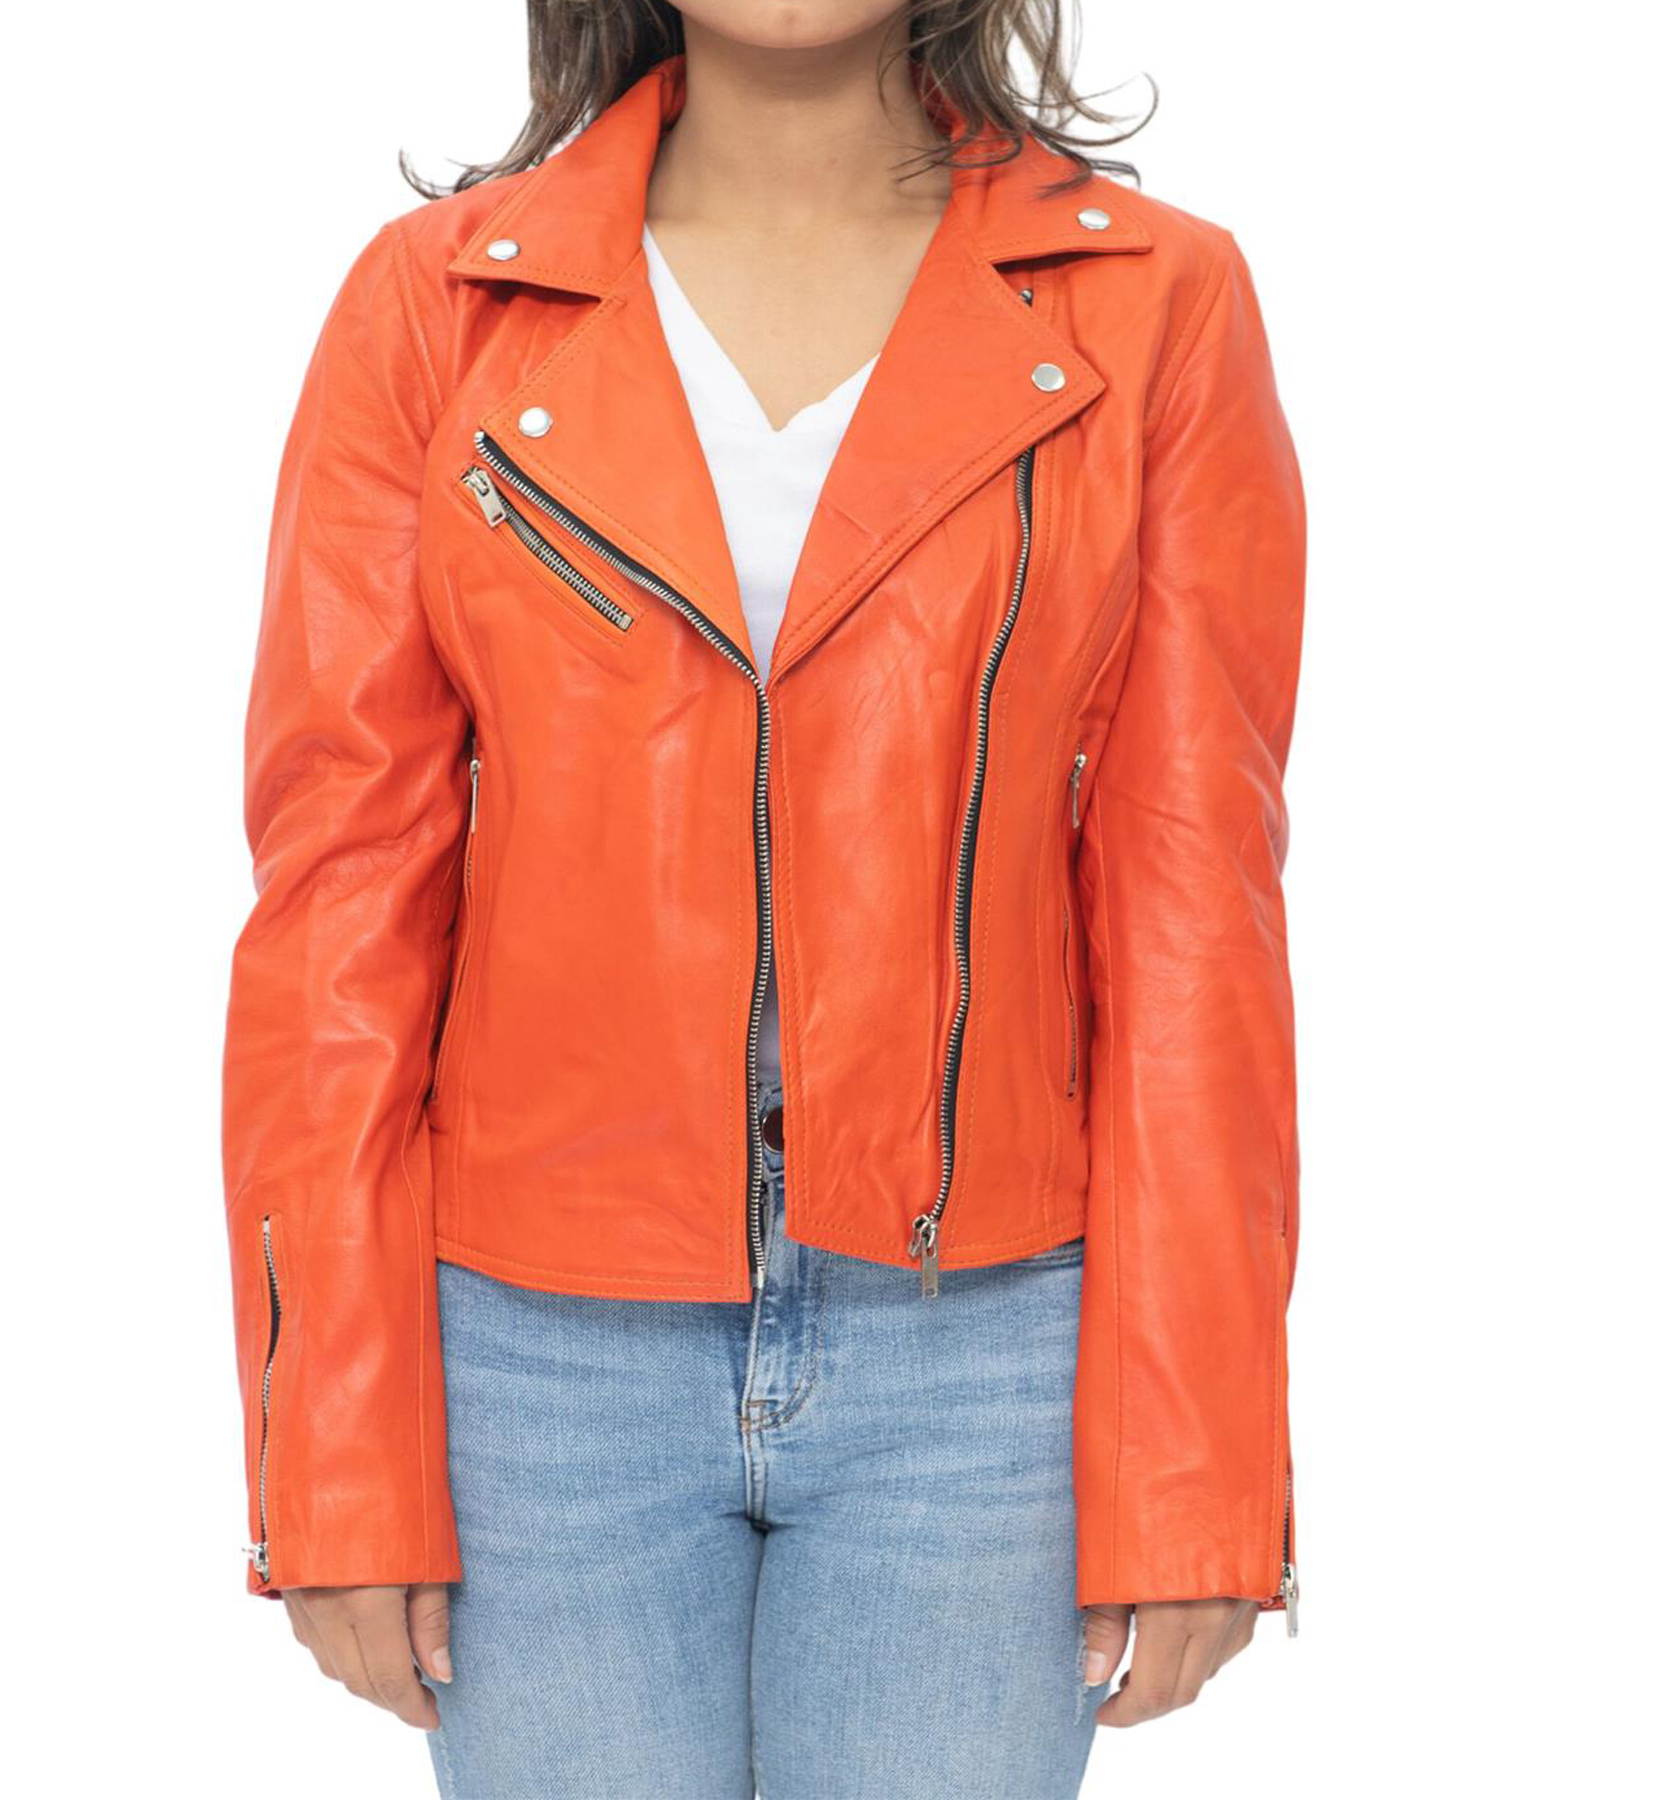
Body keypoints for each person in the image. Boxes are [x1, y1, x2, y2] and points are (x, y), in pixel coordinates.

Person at [222, 3, 1305, 1794]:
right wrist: (332, 1445)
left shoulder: (1155, 302)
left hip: (987, 1355)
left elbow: (1193, 897)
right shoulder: (437, 307)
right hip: (531, 1356)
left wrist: (1197, 1459)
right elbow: (342, 897)